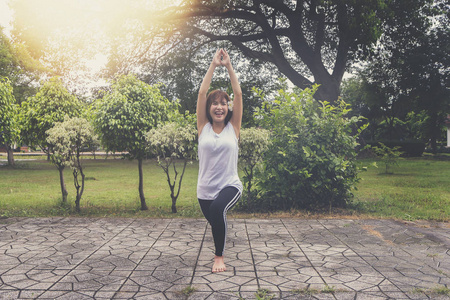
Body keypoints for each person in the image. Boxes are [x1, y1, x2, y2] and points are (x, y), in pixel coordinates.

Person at [196, 48, 243, 273]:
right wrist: (213, 65)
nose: (219, 106)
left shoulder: (233, 129)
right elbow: (201, 93)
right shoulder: (202, 128)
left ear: (228, 108)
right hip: (204, 190)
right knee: (216, 220)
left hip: (229, 185)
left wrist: (229, 66)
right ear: (209, 108)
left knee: (218, 210)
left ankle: (219, 257)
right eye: (215, 103)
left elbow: (239, 94)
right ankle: (220, 244)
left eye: (224, 103)